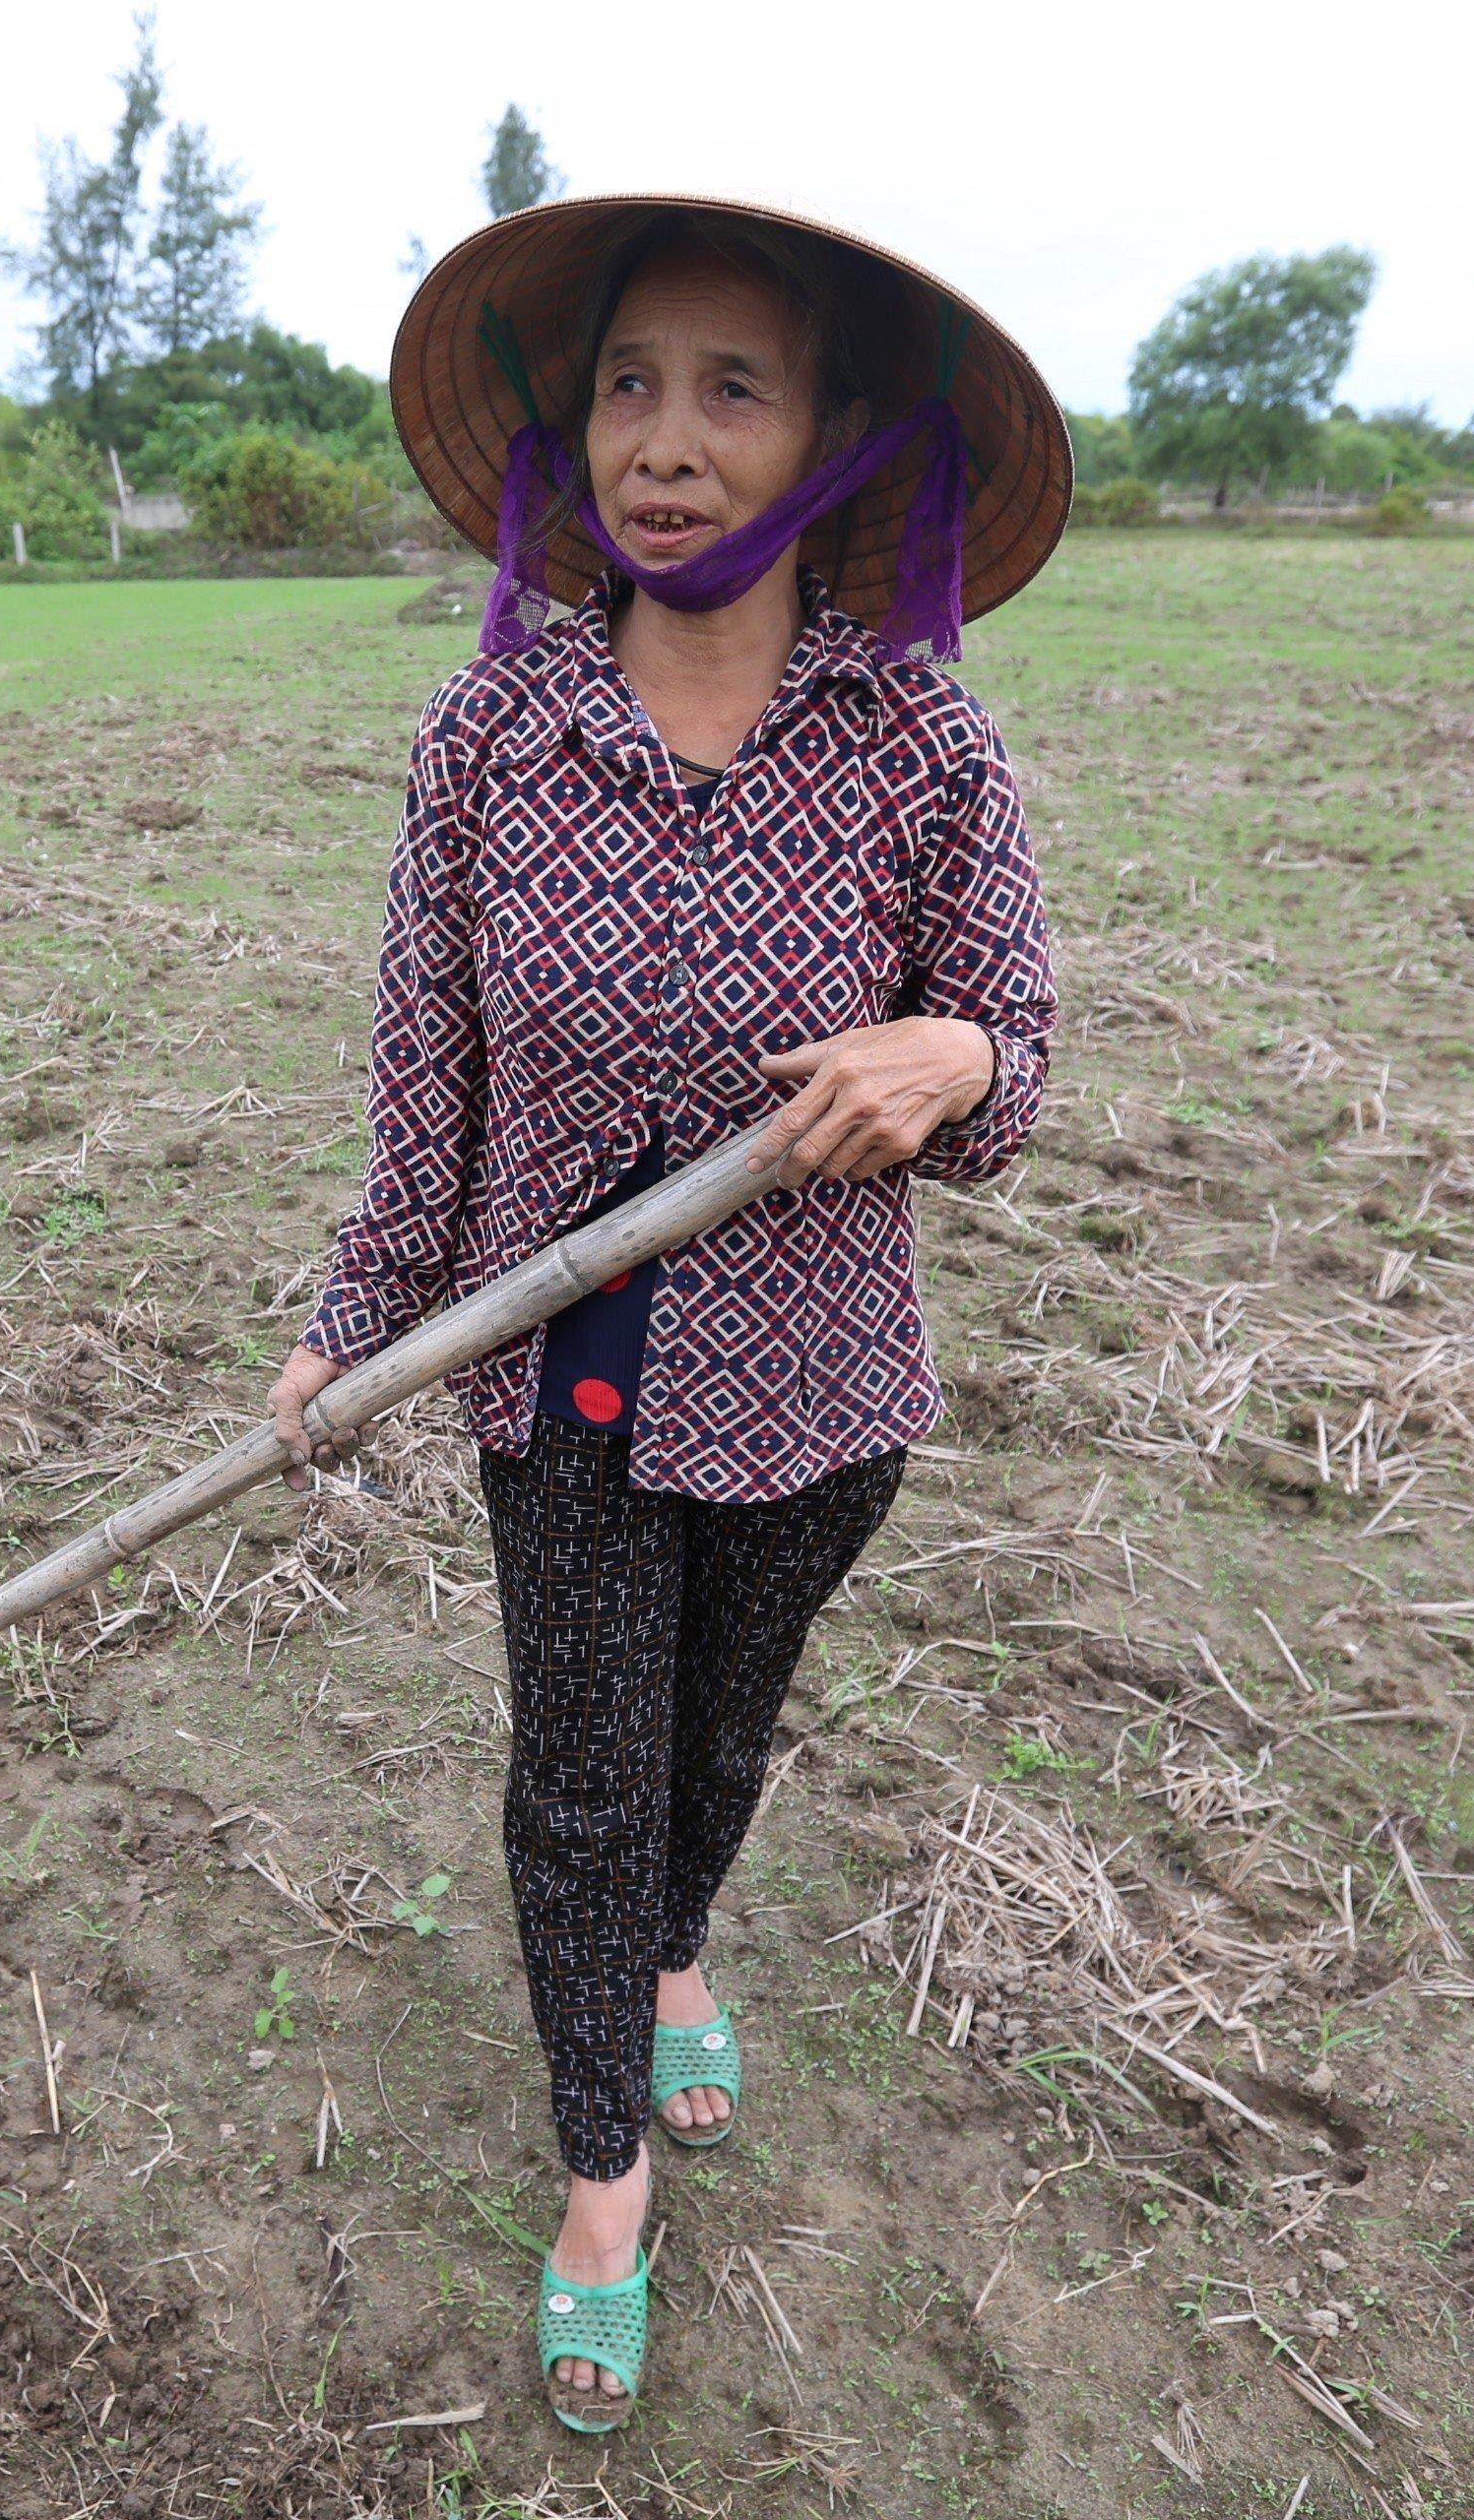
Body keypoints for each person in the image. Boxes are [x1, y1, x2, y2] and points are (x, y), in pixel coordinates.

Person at [268, 196, 1068, 2431]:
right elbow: (423, 1073)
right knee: (585, 1787)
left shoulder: (918, 741)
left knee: (719, 1747)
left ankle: (685, 1951)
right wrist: (354, 1317)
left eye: (734, 386)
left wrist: (955, 1060)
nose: (669, 438)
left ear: (825, 437)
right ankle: (602, 2168)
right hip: (559, 1384)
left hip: (819, 1383)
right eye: (629, 383)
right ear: (571, 430)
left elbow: (1019, 1057)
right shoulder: (487, 736)